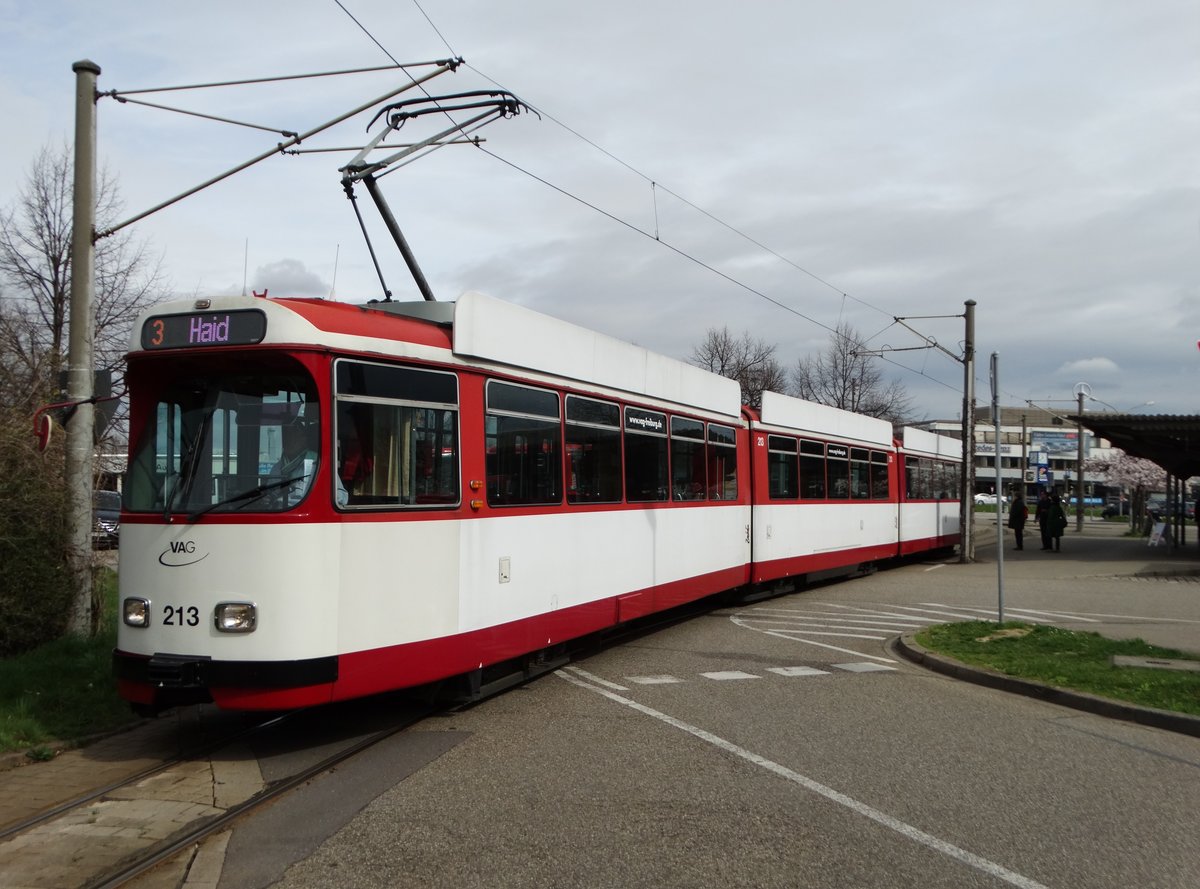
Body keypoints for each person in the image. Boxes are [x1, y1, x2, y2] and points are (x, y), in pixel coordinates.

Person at [272, 414, 318, 507]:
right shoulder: (276, 468)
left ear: (304, 439)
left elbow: (340, 496)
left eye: (293, 435)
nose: (288, 439)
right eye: (286, 435)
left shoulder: (318, 463)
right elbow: (270, 493)